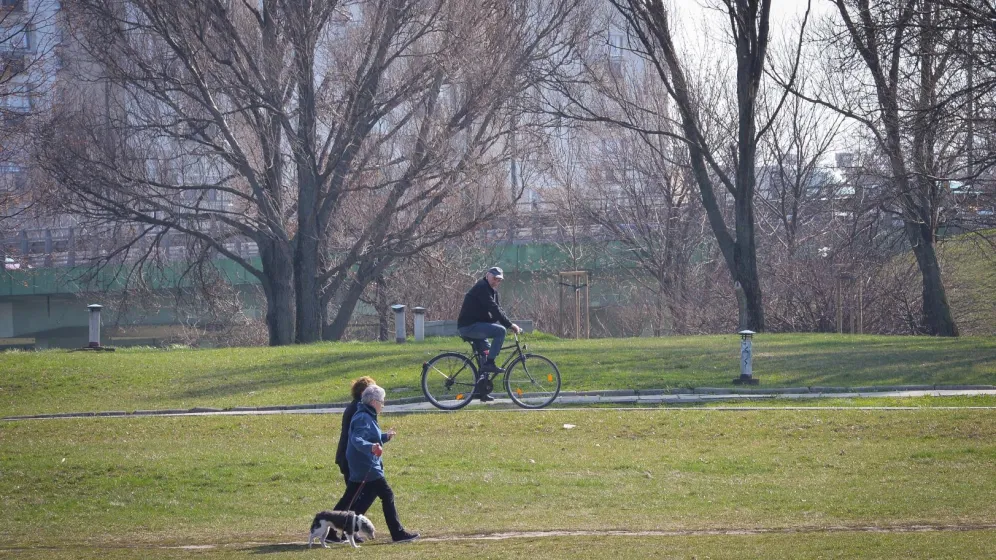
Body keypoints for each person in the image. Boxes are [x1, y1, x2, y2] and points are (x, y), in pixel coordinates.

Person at [343, 385, 420, 544]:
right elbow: (357, 439)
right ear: (373, 402)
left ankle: (344, 529)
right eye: (382, 402)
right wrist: (371, 447)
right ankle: (398, 534)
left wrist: (385, 437)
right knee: (387, 495)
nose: (383, 405)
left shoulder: (367, 415)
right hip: (367, 466)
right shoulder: (363, 417)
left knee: (362, 498)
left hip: (363, 464)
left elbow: (370, 436)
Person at [457, 267, 521, 400]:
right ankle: (491, 363)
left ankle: (481, 391)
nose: (496, 281)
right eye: (494, 278)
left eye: (499, 280)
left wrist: (510, 323)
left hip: (476, 325)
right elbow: (493, 308)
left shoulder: (492, 291)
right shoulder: (482, 287)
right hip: (469, 326)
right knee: (500, 331)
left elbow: (499, 310)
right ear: (487, 276)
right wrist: (509, 325)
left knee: (485, 354)